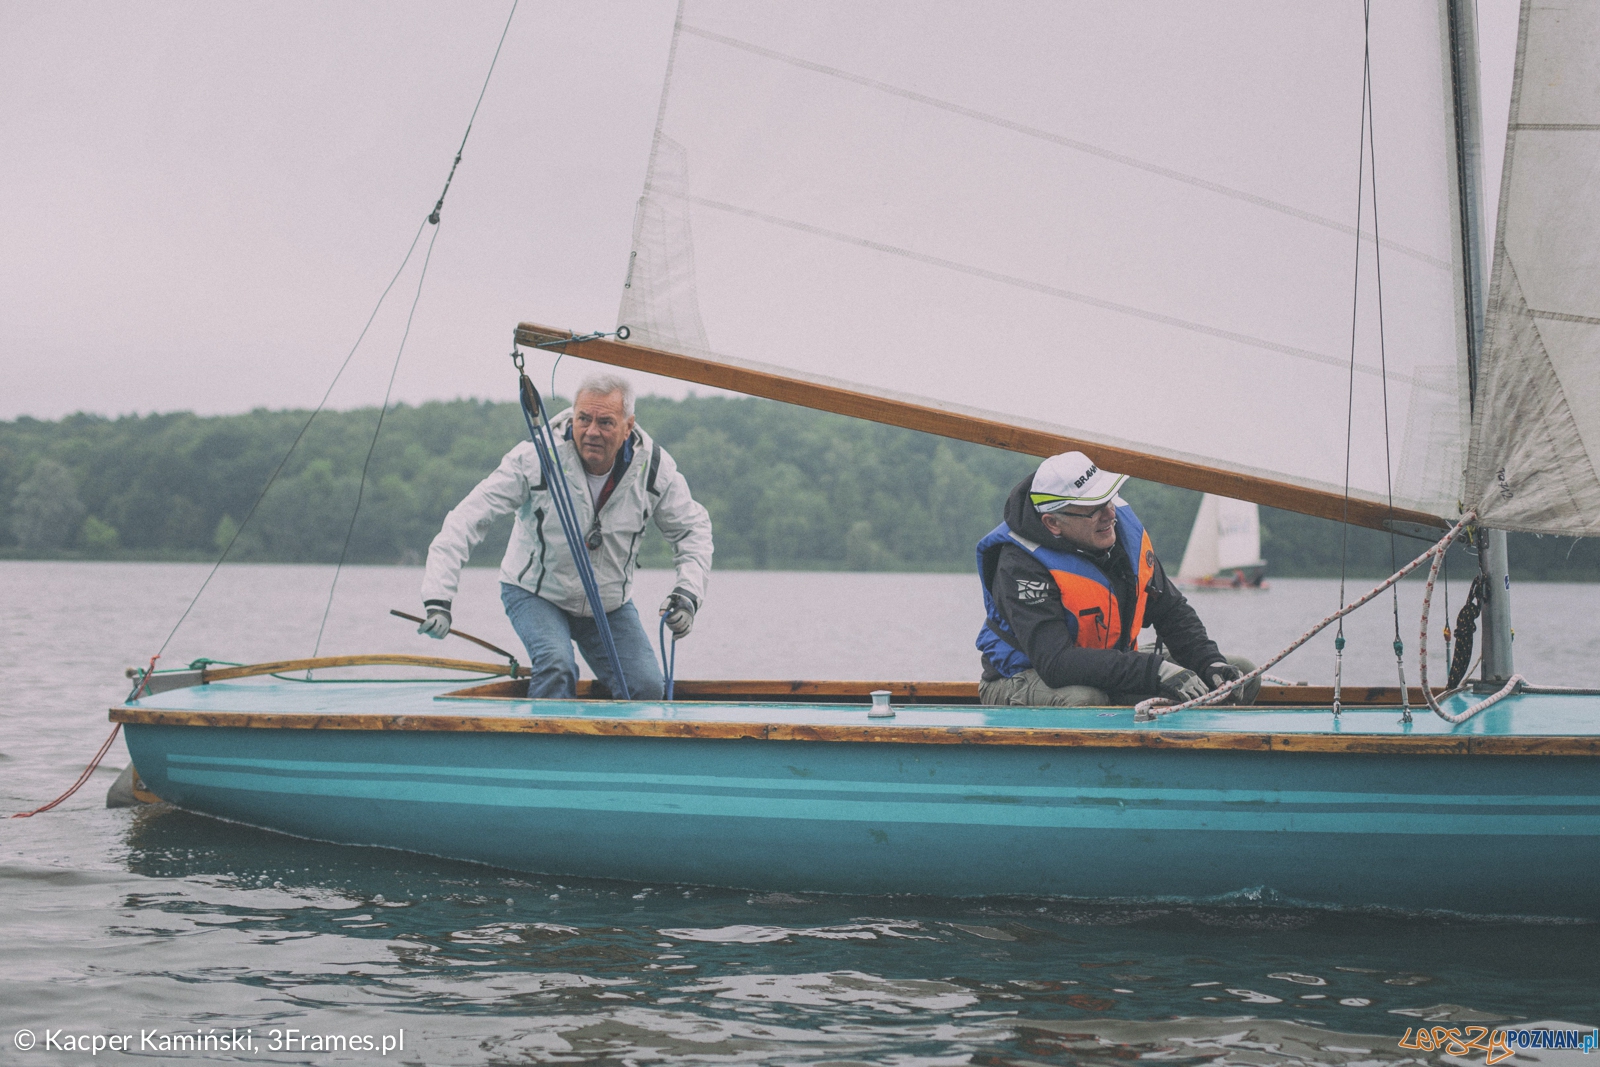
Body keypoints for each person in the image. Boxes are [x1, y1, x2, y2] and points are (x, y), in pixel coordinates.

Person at [418, 374, 713, 699]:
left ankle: (618, 749)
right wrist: (438, 600)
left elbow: (692, 532)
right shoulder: (536, 457)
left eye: (605, 422)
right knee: (557, 667)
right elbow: (467, 518)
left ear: (629, 427)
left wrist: (687, 594)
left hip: (609, 603)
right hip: (535, 593)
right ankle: (543, 748)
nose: (591, 432)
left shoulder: (656, 470)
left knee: (645, 688)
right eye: (583, 419)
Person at [976, 451, 1258, 707]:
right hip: (1023, 675)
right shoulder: (1019, 564)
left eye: (1108, 499)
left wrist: (1210, 662)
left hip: (1108, 663)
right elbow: (1056, 663)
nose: (1110, 514)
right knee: (1086, 700)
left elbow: (1171, 611)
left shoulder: (1121, 534)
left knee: (1241, 674)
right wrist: (1155, 671)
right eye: (1093, 509)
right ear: (1053, 523)